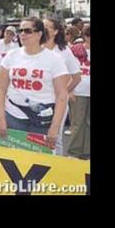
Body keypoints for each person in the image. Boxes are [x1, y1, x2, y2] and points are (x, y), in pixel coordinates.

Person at [0, 18, 69, 152]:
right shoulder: (11, 56)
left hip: (42, 118)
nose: (22, 34)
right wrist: (1, 119)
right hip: (13, 115)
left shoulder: (54, 59)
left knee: (40, 161)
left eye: (27, 31)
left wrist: (54, 127)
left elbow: (62, 95)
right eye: (20, 30)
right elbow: (1, 89)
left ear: (39, 34)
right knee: (14, 158)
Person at [43, 18, 82, 152]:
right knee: (36, 136)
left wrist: (63, 92)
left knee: (55, 136)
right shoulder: (34, 48)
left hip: (58, 101)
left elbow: (76, 77)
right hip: (37, 100)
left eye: (47, 27)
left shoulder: (64, 51)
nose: (44, 29)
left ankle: (56, 167)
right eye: (42, 26)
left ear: (55, 31)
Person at [67, 25, 90, 159]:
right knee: (77, 123)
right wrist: (69, 90)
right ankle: (74, 152)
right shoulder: (75, 50)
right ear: (85, 36)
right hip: (79, 91)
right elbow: (68, 71)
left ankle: (87, 150)